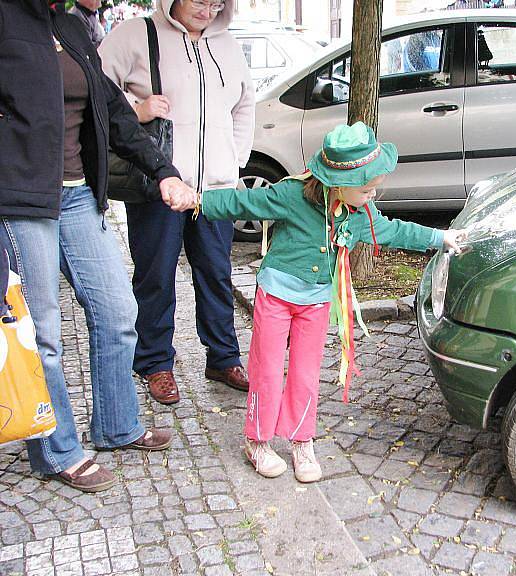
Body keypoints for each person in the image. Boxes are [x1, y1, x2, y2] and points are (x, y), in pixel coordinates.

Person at [0, 0, 197, 492]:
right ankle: (56, 450)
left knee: (116, 308)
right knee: (43, 331)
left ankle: (116, 425)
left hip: (78, 194)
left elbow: (112, 111)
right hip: (21, 197)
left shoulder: (69, 27)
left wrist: (164, 172)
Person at [198, 122, 466, 483]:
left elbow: (397, 230)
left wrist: (441, 237)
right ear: (339, 183)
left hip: (317, 303)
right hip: (276, 296)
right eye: (367, 188)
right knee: (267, 370)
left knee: (306, 375)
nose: (374, 194)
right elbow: (244, 200)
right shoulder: (292, 195)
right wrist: (197, 200)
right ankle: (258, 441)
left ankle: (301, 440)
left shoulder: (361, 215)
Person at [99, 0, 256, 404]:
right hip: (160, 184)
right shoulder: (137, 34)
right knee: (156, 275)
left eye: (216, 3)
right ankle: (155, 363)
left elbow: (244, 104)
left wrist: (233, 162)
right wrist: (137, 109)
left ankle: (223, 357)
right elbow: (95, 88)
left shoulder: (229, 45)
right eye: (199, 1)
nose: (208, 10)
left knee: (217, 274)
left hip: (214, 191)